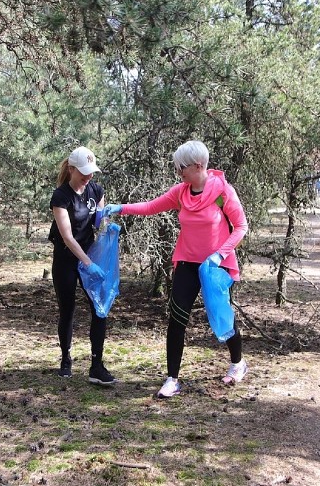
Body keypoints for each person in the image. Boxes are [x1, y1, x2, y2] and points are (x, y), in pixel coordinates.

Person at [100, 141, 248, 398]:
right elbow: (150, 206)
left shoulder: (223, 192)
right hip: (187, 264)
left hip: (215, 266)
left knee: (222, 316)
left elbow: (241, 227)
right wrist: (121, 209)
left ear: (199, 166)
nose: (178, 171)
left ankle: (238, 363)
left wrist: (219, 254)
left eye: (182, 167)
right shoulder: (180, 193)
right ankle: (172, 379)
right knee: (177, 318)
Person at [48, 146, 117, 385]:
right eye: (84, 172)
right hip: (67, 258)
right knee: (67, 309)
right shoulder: (61, 196)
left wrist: (107, 224)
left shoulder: (95, 190)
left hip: (89, 253)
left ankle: (96, 365)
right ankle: (66, 359)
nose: (89, 177)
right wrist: (87, 264)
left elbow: (101, 218)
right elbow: (67, 237)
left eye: (91, 172)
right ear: (72, 169)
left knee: (99, 308)